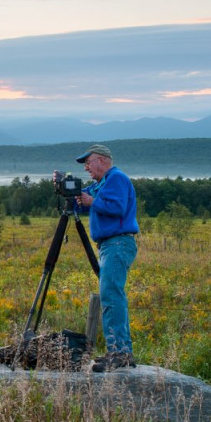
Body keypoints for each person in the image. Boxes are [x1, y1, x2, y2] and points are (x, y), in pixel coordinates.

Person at [73, 144, 139, 372]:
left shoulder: (116, 178)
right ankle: (120, 351)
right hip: (109, 245)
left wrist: (92, 201)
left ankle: (119, 353)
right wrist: (70, 193)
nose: (86, 169)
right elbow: (79, 205)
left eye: (88, 163)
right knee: (111, 295)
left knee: (111, 296)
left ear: (102, 160)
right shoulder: (100, 184)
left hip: (118, 242)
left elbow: (118, 207)